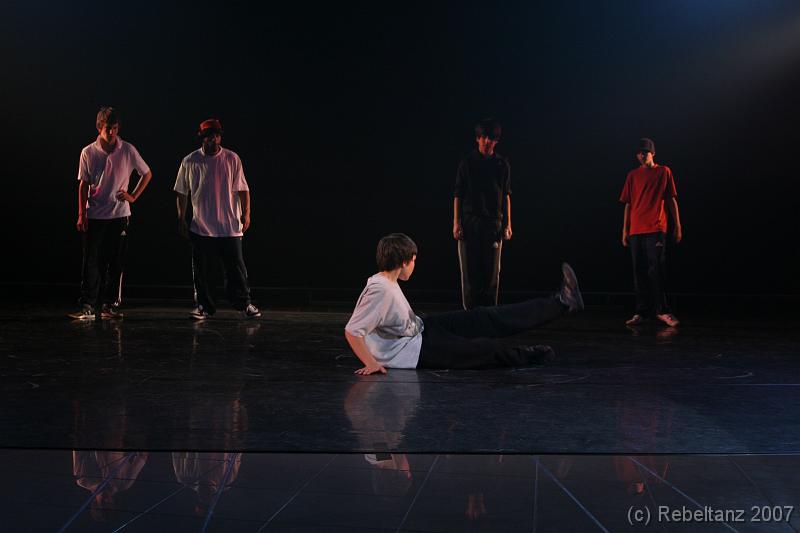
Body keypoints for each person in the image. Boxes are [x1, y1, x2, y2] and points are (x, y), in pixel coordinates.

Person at [344, 233, 583, 375]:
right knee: (483, 349)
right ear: (405, 262)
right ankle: (531, 355)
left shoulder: (387, 282)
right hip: (415, 351)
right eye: (414, 260)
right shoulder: (380, 290)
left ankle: (562, 301)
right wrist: (371, 363)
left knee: (483, 317)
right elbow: (353, 331)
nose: (415, 265)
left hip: (421, 329)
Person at [70, 107, 153, 320]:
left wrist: (133, 196)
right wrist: (81, 214)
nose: (112, 132)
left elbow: (146, 173)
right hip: (95, 214)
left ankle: (109, 305)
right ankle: (88, 305)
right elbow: (83, 185)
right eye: (108, 128)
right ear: (99, 127)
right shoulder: (88, 152)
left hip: (119, 214)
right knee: (91, 261)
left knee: (116, 261)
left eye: (115, 128)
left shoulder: (127, 150)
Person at [174, 119, 261, 319]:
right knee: (202, 271)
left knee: (236, 269)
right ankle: (204, 306)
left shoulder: (232, 158)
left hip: (229, 226)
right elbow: (181, 192)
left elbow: (243, 189)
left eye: (216, 135)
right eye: (209, 136)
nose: (213, 139)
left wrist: (246, 213)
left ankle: (244, 304)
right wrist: (181, 218)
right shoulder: (190, 160)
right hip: (202, 226)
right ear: (203, 138)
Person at [620, 138, 683, 327]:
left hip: (656, 228)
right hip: (636, 230)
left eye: (645, 152)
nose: (642, 155)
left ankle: (662, 311)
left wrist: (678, 225)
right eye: (639, 153)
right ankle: (641, 312)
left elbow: (671, 199)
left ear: (653, 153)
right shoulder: (632, 175)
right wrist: (625, 230)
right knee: (638, 271)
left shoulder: (664, 171)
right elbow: (628, 204)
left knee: (656, 270)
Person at [453, 118, 512, 309]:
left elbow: (506, 195)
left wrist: (508, 224)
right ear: (478, 138)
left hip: (493, 224)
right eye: (484, 137)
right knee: (469, 273)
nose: (487, 141)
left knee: (492, 274)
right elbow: (458, 194)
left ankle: (490, 313)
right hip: (470, 223)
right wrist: (456, 223)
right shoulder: (467, 163)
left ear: (496, 141)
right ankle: (469, 313)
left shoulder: (502, 164)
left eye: (491, 138)